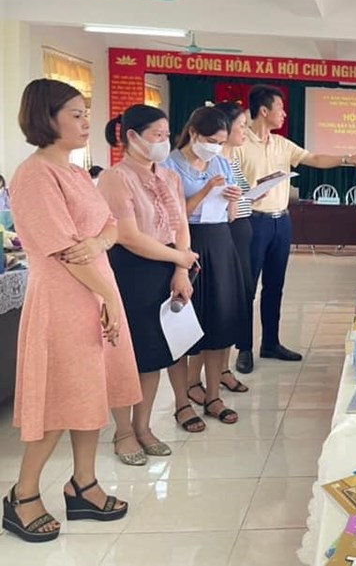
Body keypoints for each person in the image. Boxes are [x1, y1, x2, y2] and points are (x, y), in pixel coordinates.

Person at [4, 79, 139, 543]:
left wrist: (99, 243)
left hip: (95, 292)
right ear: (46, 118)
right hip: (64, 300)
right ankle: (22, 495)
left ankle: (83, 484)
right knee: (62, 398)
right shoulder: (35, 174)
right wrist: (108, 297)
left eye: (86, 114)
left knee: (93, 392)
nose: (86, 123)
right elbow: (63, 251)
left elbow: (109, 225)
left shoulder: (77, 172)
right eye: (76, 115)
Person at [98, 105, 204, 462]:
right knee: (128, 356)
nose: (164, 142)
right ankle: (123, 432)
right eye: (157, 135)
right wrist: (179, 258)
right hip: (131, 271)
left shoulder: (169, 176)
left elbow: (180, 225)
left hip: (168, 267)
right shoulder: (116, 178)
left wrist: (180, 269)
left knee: (155, 354)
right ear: (132, 136)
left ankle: (143, 427)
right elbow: (128, 236)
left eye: (166, 135)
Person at [235, 85, 356, 373]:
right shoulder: (239, 145)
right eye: (280, 108)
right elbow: (231, 185)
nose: (284, 114)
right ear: (264, 110)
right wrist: (249, 193)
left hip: (281, 221)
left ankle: (270, 342)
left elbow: (314, 159)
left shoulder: (282, 144)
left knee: (275, 285)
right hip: (252, 222)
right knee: (247, 287)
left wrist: (346, 159)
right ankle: (243, 348)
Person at [162, 106, 246, 424]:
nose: (215, 148)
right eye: (211, 141)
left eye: (221, 142)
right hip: (186, 243)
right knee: (183, 326)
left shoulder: (222, 162)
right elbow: (172, 215)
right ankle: (182, 401)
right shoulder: (170, 164)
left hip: (220, 241)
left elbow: (232, 215)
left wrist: (233, 198)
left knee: (219, 322)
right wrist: (207, 189)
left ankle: (213, 397)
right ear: (193, 133)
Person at [217, 101, 253, 390]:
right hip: (225, 234)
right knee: (225, 302)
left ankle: (222, 368)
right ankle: (215, 370)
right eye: (241, 126)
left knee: (241, 297)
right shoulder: (215, 161)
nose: (245, 131)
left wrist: (252, 195)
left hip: (241, 230)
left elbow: (239, 195)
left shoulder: (233, 158)